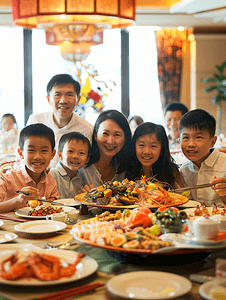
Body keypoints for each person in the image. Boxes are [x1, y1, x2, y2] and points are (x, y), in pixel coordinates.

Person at [26, 74, 93, 167]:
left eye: (69, 95)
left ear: (78, 100)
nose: (63, 100)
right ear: (48, 99)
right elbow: (23, 154)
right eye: (57, 94)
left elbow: (85, 167)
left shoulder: (87, 130)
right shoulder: (35, 120)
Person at [0, 123, 59, 213]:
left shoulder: (51, 181)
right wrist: (18, 200)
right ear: (21, 153)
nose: (37, 156)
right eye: (31, 150)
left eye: (44, 151)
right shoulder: (7, 179)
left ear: (52, 154)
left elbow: (55, 205)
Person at [179, 109, 226, 207]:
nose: (191, 144)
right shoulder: (184, 170)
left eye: (198, 137)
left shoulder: (224, 164)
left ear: (212, 142)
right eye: (186, 138)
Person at [81, 109, 133, 190]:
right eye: (105, 133)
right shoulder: (81, 164)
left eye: (117, 135)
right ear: (95, 135)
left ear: (125, 138)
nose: (110, 141)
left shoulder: (124, 168)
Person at [126, 122, 183, 188]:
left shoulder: (172, 171)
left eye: (153, 146)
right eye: (141, 145)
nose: (147, 152)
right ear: (134, 146)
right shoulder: (127, 170)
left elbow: (184, 195)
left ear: (162, 149)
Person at [50, 132, 90, 199]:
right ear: (60, 155)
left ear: (87, 159)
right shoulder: (52, 175)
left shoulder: (82, 177)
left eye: (81, 153)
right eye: (71, 151)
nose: (76, 156)